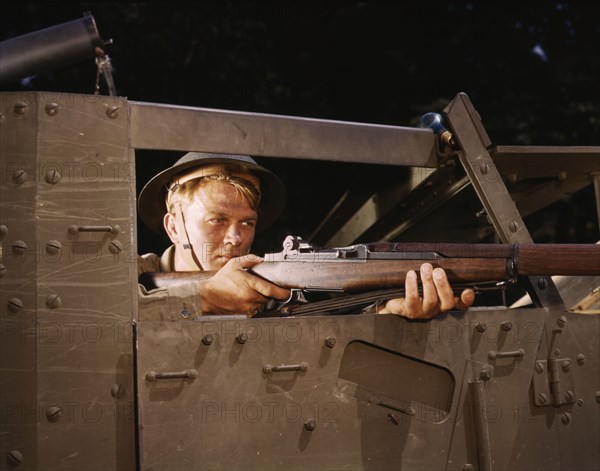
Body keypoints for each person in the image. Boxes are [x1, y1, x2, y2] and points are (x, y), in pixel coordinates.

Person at [137, 152, 474, 319]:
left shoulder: (270, 287)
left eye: (247, 223)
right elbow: (100, 322)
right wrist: (202, 297)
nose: (235, 238)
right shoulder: (127, 279)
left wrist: (389, 318)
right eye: (217, 220)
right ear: (173, 226)